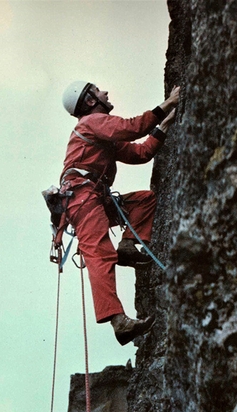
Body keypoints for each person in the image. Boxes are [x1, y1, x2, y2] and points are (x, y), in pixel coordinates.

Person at [59, 80, 180, 345]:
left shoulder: (100, 134)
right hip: (82, 198)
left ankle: (127, 246)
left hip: (93, 198)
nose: (105, 93)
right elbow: (131, 128)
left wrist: (164, 126)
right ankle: (118, 321)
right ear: (91, 101)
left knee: (144, 200)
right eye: (99, 91)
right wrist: (167, 104)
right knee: (100, 255)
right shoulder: (91, 123)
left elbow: (141, 153)